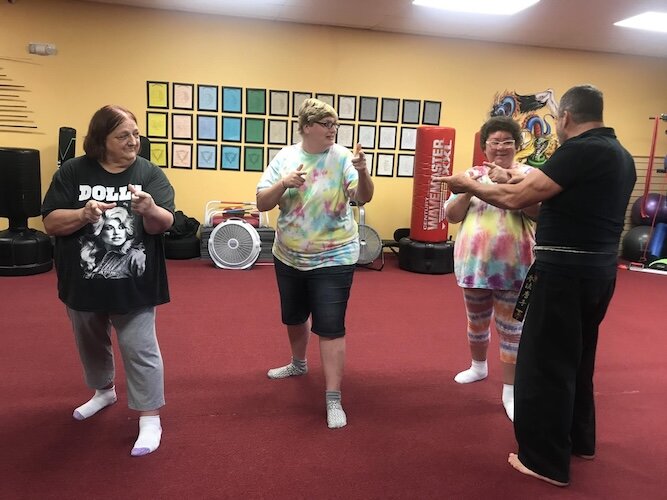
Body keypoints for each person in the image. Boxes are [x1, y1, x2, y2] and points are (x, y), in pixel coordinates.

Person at [436, 85, 636, 486]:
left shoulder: (578, 150)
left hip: (563, 273)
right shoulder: (619, 154)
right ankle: (580, 441)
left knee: (545, 364)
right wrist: (503, 176)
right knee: (577, 359)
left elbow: (519, 199)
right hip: (598, 271)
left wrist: (469, 184)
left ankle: (544, 461)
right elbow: (549, 190)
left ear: (564, 118)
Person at [42, 105, 175, 457]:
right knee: (90, 342)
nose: (133, 141)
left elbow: (165, 223)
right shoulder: (72, 171)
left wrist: (150, 210)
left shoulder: (149, 173)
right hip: (82, 283)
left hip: (136, 284)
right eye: (123, 136)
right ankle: (104, 392)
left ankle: (149, 417)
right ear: (101, 141)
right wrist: (83, 213)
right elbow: (51, 223)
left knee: (140, 348)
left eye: (135, 134)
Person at [256, 98, 374, 429]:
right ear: (308, 126)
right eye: (326, 124)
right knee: (293, 316)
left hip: (334, 254)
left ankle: (333, 397)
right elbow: (262, 201)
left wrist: (363, 172)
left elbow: (363, 196)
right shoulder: (286, 157)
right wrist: (284, 183)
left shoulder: (342, 158)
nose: (333, 130)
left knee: (331, 324)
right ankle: (298, 363)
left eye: (335, 124)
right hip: (289, 253)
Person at [444, 116, 539, 422]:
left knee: (512, 330)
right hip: (475, 264)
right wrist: (472, 187)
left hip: (516, 265)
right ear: (484, 146)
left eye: (507, 141)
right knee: (476, 322)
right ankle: (478, 366)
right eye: (494, 141)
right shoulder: (470, 174)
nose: (500, 147)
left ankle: (509, 389)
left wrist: (509, 181)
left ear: (517, 145)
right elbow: (453, 215)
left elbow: (538, 212)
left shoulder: (530, 175)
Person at [80, 205, 146, 279]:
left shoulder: (136, 257)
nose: (116, 232)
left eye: (121, 227)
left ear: (127, 229)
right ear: (99, 231)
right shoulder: (93, 256)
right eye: (109, 228)